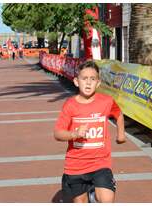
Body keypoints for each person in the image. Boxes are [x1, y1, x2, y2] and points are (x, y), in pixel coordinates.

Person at [54, 60, 126, 203]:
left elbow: (118, 114)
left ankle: (95, 193)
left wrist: (121, 134)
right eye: (84, 79)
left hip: (101, 163)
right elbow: (57, 133)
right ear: (76, 81)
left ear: (98, 83)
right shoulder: (70, 105)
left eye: (92, 79)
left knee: (107, 200)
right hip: (76, 165)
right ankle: (90, 196)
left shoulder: (106, 101)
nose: (88, 83)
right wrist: (74, 134)